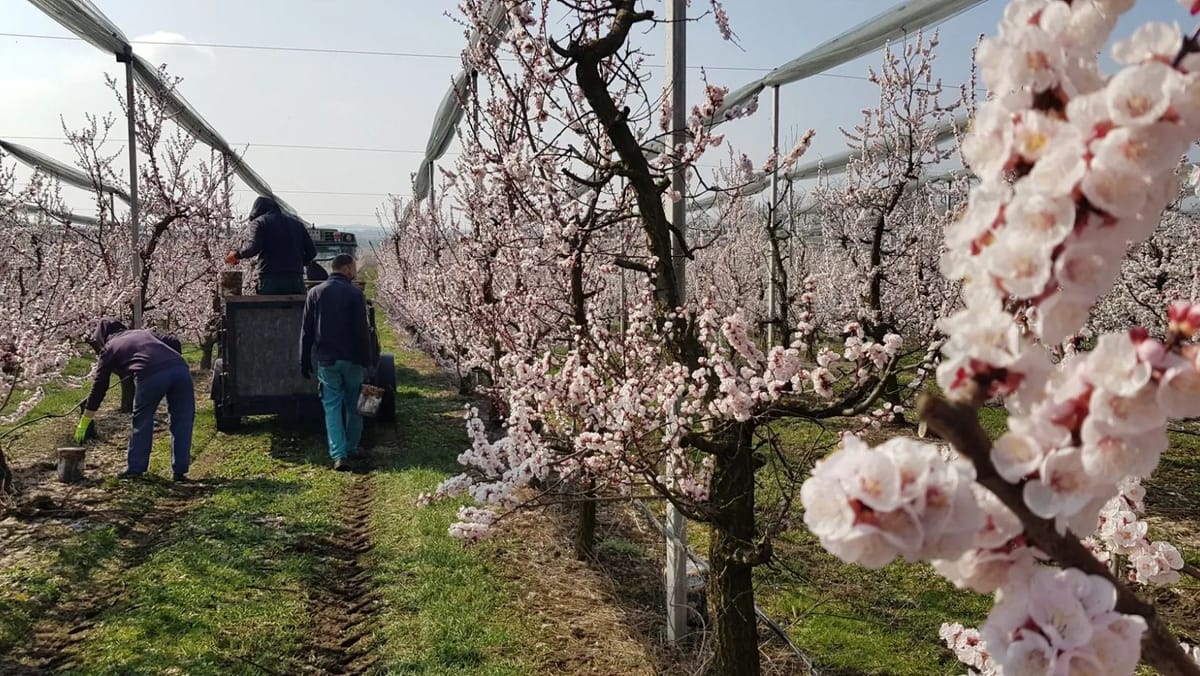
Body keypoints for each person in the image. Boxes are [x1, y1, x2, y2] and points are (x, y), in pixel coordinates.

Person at [75, 319, 195, 481]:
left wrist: (86, 420)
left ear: (102, 337)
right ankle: (180, 471)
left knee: (142, 420)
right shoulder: (144, 332)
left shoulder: (109, 347)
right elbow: (173, 341)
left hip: (150, 374)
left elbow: (100, 386)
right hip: (181, 369)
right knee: (183, 420)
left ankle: (135, 470)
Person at [300, 254, 372, 471]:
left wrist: (304, 359)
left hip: (327, 360)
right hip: (352, 359)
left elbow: (306, 331)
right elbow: (362, 331)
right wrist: (368, 360)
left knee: (331, 407)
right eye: (354, 268)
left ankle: (338, 455)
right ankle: (352, 446)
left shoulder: (315, 293)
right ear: (347, 268)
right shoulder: (355, 294)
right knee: (355, 405)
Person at [226, 195, 317, 295]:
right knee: (296, 308)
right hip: (295, 278)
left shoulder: (259, 222)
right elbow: (312, 252)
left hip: (270, 277)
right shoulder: (297, 224)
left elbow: (253, 248)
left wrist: (236, 254)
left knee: (268, 308)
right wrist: (297, 263)